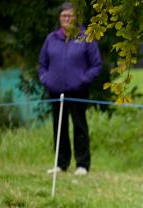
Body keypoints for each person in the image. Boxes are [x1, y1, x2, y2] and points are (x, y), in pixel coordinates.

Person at [39, 2, 102, 176]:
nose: (67, 19)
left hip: (78, 90)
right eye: (64, 16)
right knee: (59, 127)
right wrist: (46, 80)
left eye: (70, 16)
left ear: (76, 18)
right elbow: (42, 65)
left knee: (79, 126)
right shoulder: (51, 38)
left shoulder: (86, 37)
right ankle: (61, 164)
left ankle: (82, 165)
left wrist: (83, 79)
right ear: (59, 18)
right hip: (55, 91)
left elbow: (96, 65)